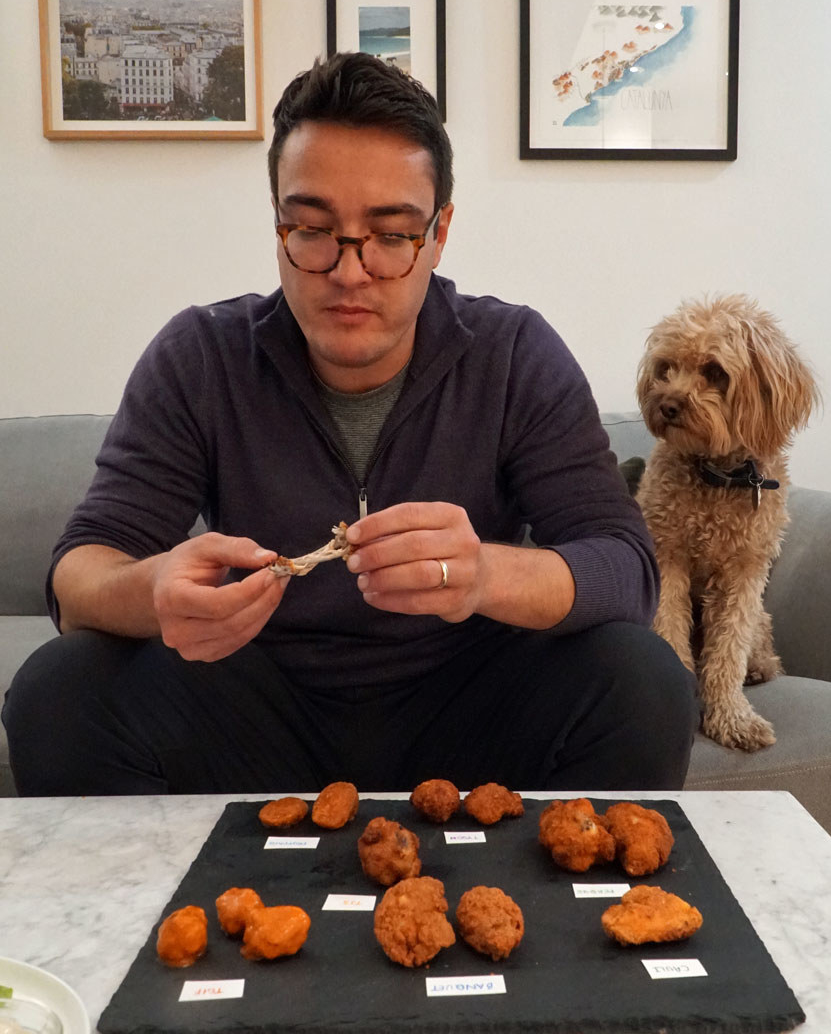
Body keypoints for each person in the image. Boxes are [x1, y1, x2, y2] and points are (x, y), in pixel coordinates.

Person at [2, 52, 697, 796]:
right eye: (312, 228)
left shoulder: (514, 356)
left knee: (644, 681)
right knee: (57, 690)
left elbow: (628, 570)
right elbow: (78, 576)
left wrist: (486, 574)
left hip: (470, 710)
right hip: (255, 713)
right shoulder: (200, 358)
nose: (348, 270)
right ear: (277, 226)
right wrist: (156, 594)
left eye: (392, 234)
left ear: (438, 233)